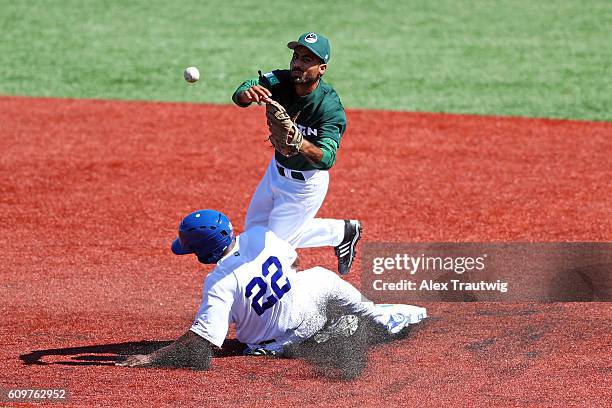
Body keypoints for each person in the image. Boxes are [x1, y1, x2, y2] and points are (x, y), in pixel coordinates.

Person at [117, 210, 427, 372]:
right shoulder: (258, 236)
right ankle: (374, 318)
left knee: (262, 326)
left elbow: (203, 344)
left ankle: (326, 336)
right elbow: (295, 260)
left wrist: (152, 358)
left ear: (201, 253)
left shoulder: (218, 283)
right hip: (307, 314)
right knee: (321, 276)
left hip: (271, 343)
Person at [232, 32, 360, 275]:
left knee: (271, 250)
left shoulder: (329, 108)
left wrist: (299, 142)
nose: (297, 64)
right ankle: (342, 232)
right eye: (296, 57)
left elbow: (327, 158)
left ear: (321, 68)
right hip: (274, 173)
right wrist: (246, 95)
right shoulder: (281, 80)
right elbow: (244, 89)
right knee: (254, 233)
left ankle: (286, 305)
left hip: (304, 186)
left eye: (307, 60)